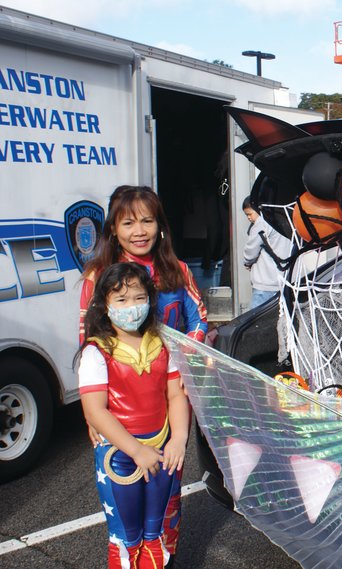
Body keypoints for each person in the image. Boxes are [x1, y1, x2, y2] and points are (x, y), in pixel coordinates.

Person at [79, 185, 207, 564]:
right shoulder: (99, 276)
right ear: (113, 230)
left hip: (169, 395)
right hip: (118, 411)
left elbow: (199, 320)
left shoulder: (177, 271)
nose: (139, 230)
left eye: (147, 220)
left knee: (164, 512)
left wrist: (182, 361)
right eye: (128, 222)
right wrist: (90, 413)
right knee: (126, 525)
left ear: (160, 225)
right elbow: (88, 336)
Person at [77, 262, 190, 569]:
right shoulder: (96, 352)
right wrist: (136, 450)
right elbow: (95, 410)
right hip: (119, 457)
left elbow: (176, 395)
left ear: (150, 300)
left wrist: (178, 439)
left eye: (139, 298)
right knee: (126, 538)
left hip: (163, 453)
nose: (132, 307)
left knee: (155, 534)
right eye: (122, 300)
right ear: (105, 305)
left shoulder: (163, 343)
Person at [242, 197, 292, 309]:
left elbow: (251, 251)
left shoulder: (261, 223)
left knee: (257, 324)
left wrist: (247, 262)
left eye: (250, 214)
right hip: (284, 281)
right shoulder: (284, 218)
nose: (249, 218)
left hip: (265, 284)